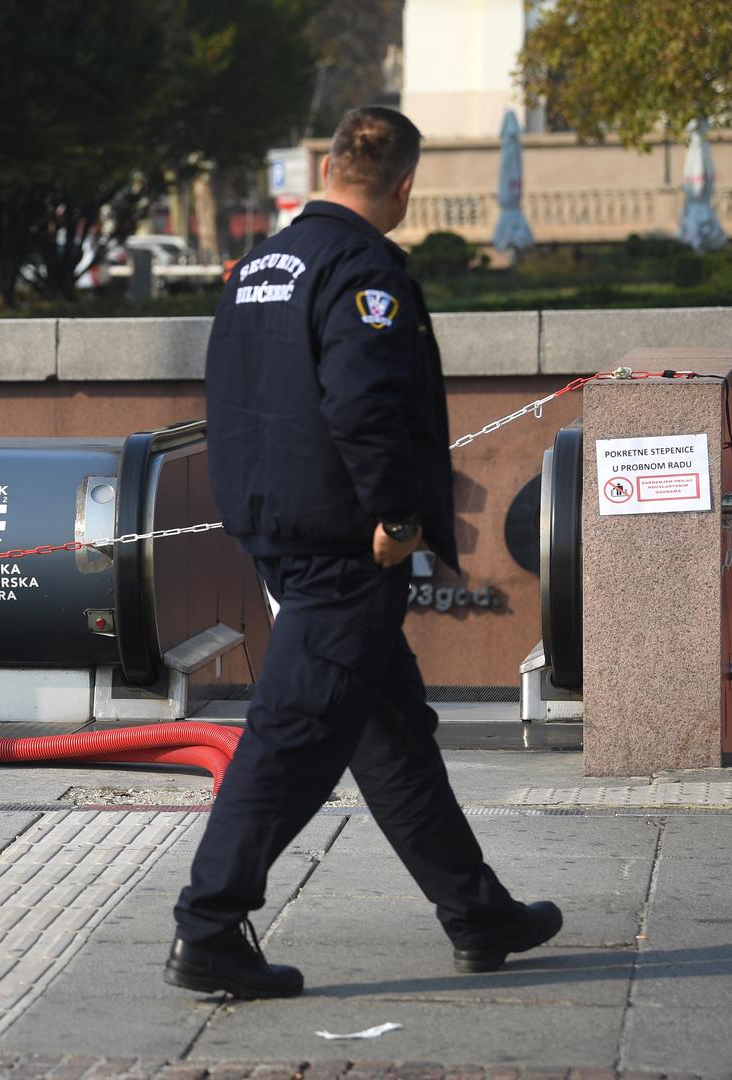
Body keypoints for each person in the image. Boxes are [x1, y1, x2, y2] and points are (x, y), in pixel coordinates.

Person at [166, 107, 562, 999]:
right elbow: (361, 401)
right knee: (293, 731)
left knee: (392, 738)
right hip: (345, 544)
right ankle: (209, 925)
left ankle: (477, 914)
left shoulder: (262, 263)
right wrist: (396, 514)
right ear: (406, 184)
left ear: (331, 163)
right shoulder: (362, 267)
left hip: (274, 524)